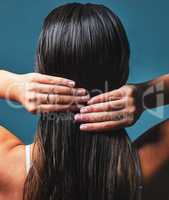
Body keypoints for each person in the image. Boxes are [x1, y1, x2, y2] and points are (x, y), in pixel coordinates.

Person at [0, 3, 169, 200]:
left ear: (40, 69)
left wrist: (12, 84)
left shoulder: (8, 165)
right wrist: (147, 95)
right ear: (122, 71)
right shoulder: (151, 165)